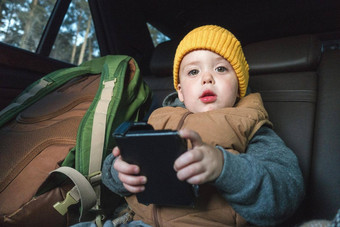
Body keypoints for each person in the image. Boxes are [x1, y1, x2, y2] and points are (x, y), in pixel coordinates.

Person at [102, 25, 305, 226]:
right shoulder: (158, 117)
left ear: (238, 87)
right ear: (180, 91)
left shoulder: (250, 125)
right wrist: (119, 172)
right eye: (193, 72)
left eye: (220, 68)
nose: (207, 78)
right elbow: (112, 166)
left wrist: (224, 167)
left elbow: (286, 193)